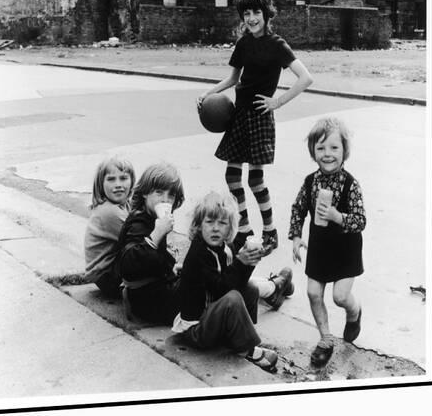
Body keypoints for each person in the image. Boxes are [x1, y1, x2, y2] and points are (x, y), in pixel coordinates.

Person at [197, 0, 313, 256]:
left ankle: (270, 231)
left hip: (260, 117)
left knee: (255, 180)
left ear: (266, 13)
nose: (251, 18)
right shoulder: (243, 43)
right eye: (246, 13)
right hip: (239, 115)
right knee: (232, 175)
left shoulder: (277, 45)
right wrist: (207, 93)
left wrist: (277, 102)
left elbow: (306, 78)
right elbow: (233, 78)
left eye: (256, 12)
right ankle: (245, 227)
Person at [172, 192, 292, 372]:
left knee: (250, 288)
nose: (215, 228)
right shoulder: (199, 253)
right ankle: (247, 349)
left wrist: (250, 262)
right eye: (209, 222)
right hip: (197, 330)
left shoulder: (224, 247)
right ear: (198, 225)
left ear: (230, 228)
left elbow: (236, 281)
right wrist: (240, 262)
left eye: (222, 223)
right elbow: (222, 289)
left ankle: (242, 335)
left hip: (212, 318)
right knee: (233, 298)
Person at [289, 117, 366, 367]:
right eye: (321, 148)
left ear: (345, 151)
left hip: (345, 248)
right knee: (313, 292)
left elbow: (361, 220)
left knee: (340, 297)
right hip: (320, 246)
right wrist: (297, 236)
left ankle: (354, 314)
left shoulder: (351, 184)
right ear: (313, 151)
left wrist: (337, 216)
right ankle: (326, 339)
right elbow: (298, 208)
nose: (327, 154)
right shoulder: (311, 182)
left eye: (334, 148)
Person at [117, 162, 185, 325]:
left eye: (171, 195)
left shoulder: (152, 218)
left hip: (155, 293)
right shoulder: (138, 223)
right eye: (159, 192)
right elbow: (128, 263)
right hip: (148, 301)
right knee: (198, 280)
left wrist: (170, 266)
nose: (165, 199)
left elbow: (155, 258)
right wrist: (157, 234)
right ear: (145, 193)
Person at [83, 156, 135, 298]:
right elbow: (138, 239)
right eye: (111, 179)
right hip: (107, 277)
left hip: (108, 270)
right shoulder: (110, 212)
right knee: (143, 253)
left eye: (123, 178)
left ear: (132, 181)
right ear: (101, 183)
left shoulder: (124, 203)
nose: (118, 184)